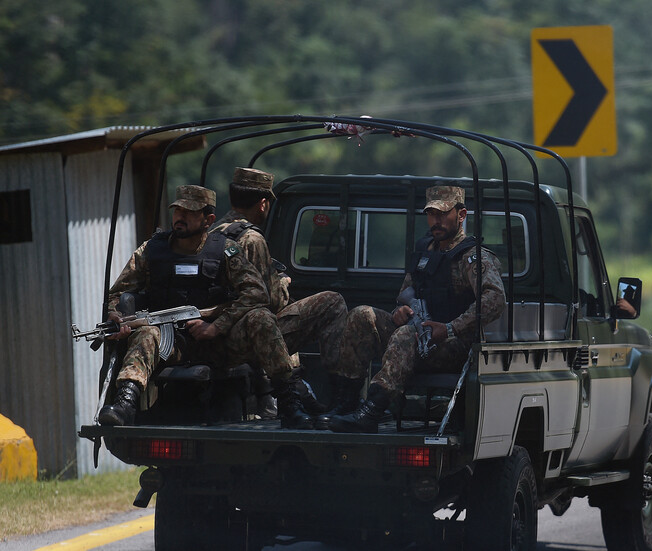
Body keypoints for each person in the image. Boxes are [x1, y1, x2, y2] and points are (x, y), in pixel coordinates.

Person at [97, 185, 314, 429]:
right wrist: (115, 316)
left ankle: (289, 401)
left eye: (189, 212)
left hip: (219, 343)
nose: (180, 217)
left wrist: (216, 326)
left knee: (262, 317)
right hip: (173, 343)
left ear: (208, 219)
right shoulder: (151, 251)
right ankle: (125, 402)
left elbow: (256, 292)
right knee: (147, 333)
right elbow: (117, 292)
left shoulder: (226, 250)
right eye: (177, 210)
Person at [325, 185, 506, 433]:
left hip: (452, 346)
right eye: (432, 214)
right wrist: (400, 311)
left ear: (461, 215)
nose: (436, 221)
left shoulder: (472, 257)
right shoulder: (425, 251)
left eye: (443, 214)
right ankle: (345, 403)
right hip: (417, 335)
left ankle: (372, 411)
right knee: (361, 315)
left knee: (407, 335)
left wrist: (451, 328)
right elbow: (406, 293)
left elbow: (495, 299)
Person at [211, 167, 348, 417]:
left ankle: (297, 390)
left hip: (220, 334)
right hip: (248, 337)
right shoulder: (251, 239)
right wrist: (283, 283)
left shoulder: (214, 232)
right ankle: (342, 397)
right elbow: (269, 301)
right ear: (263, 204)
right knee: (333, 302)